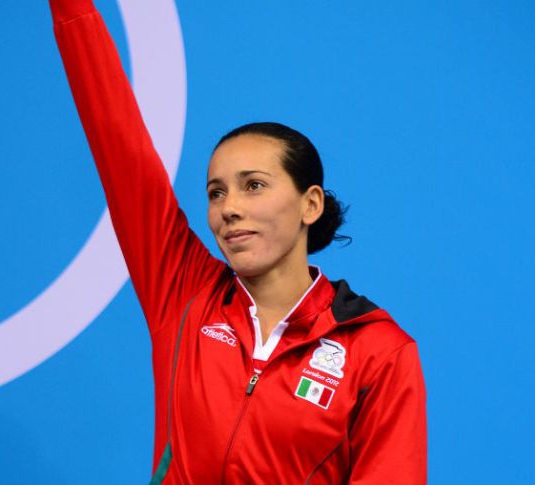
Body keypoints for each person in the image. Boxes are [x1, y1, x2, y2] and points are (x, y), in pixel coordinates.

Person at [48, 1, 427, 483]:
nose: (229, 207)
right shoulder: (183, 293)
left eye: (254, 185)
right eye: (216, 192)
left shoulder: (378, 350)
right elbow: (116, 139)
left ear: (309, 205)